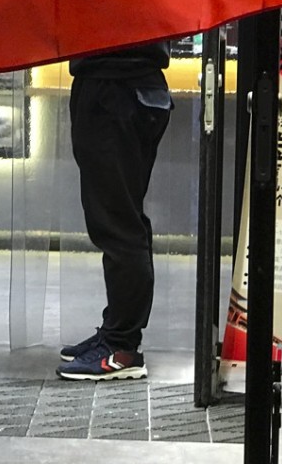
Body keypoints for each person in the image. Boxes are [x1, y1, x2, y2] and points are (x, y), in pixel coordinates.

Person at [56, 41, 173, 380]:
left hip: (114, 85)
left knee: (116, 221)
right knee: (125, 216)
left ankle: (122, 348)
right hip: (140, 84)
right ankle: (117, 333)